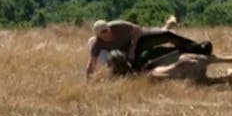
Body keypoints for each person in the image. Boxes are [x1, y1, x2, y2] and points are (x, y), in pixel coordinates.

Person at [85, 18, 213, 80]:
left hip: (138, 41)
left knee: (167, 35)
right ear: (98, 35)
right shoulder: (97, 45)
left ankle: (198, 48)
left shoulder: (118, 26)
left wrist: (133, 48)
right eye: (103, 32)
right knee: (154, 55)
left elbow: (137, 29)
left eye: (107, 29)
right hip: (128, 56)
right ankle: (181, 54)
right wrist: (88, 80)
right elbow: (92, 63)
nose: (107, 32)